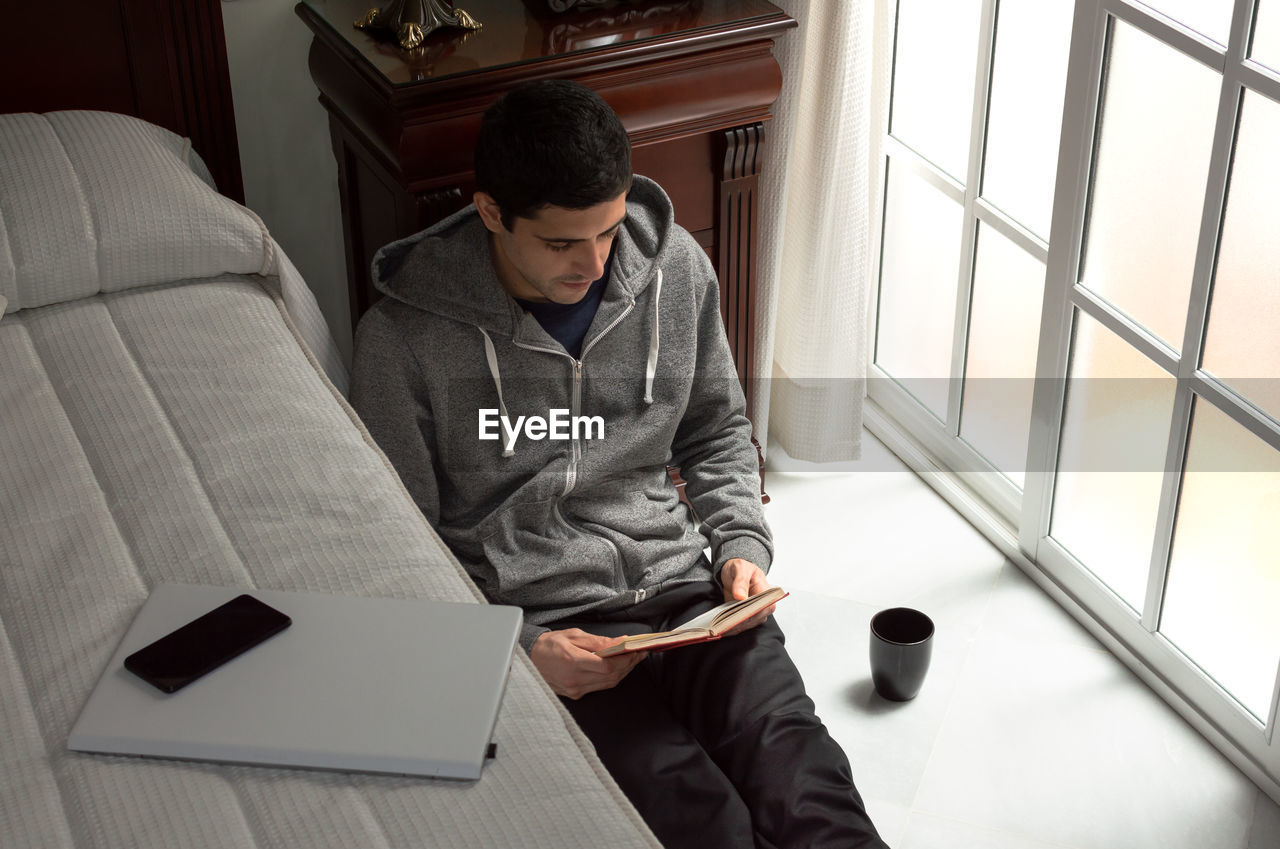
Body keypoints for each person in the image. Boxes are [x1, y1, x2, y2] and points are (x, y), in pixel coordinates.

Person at [350, 79, 888, 849]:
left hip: (687, 597)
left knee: (808, 788)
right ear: (491, 212)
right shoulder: (402, 342)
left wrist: (740, 545)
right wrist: (518, 647)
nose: (596, 263)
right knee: (703, 824)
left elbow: (715, 428)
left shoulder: (674, 268)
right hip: (556, 629)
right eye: (562, 242)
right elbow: (400, 548)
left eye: (606, 231)